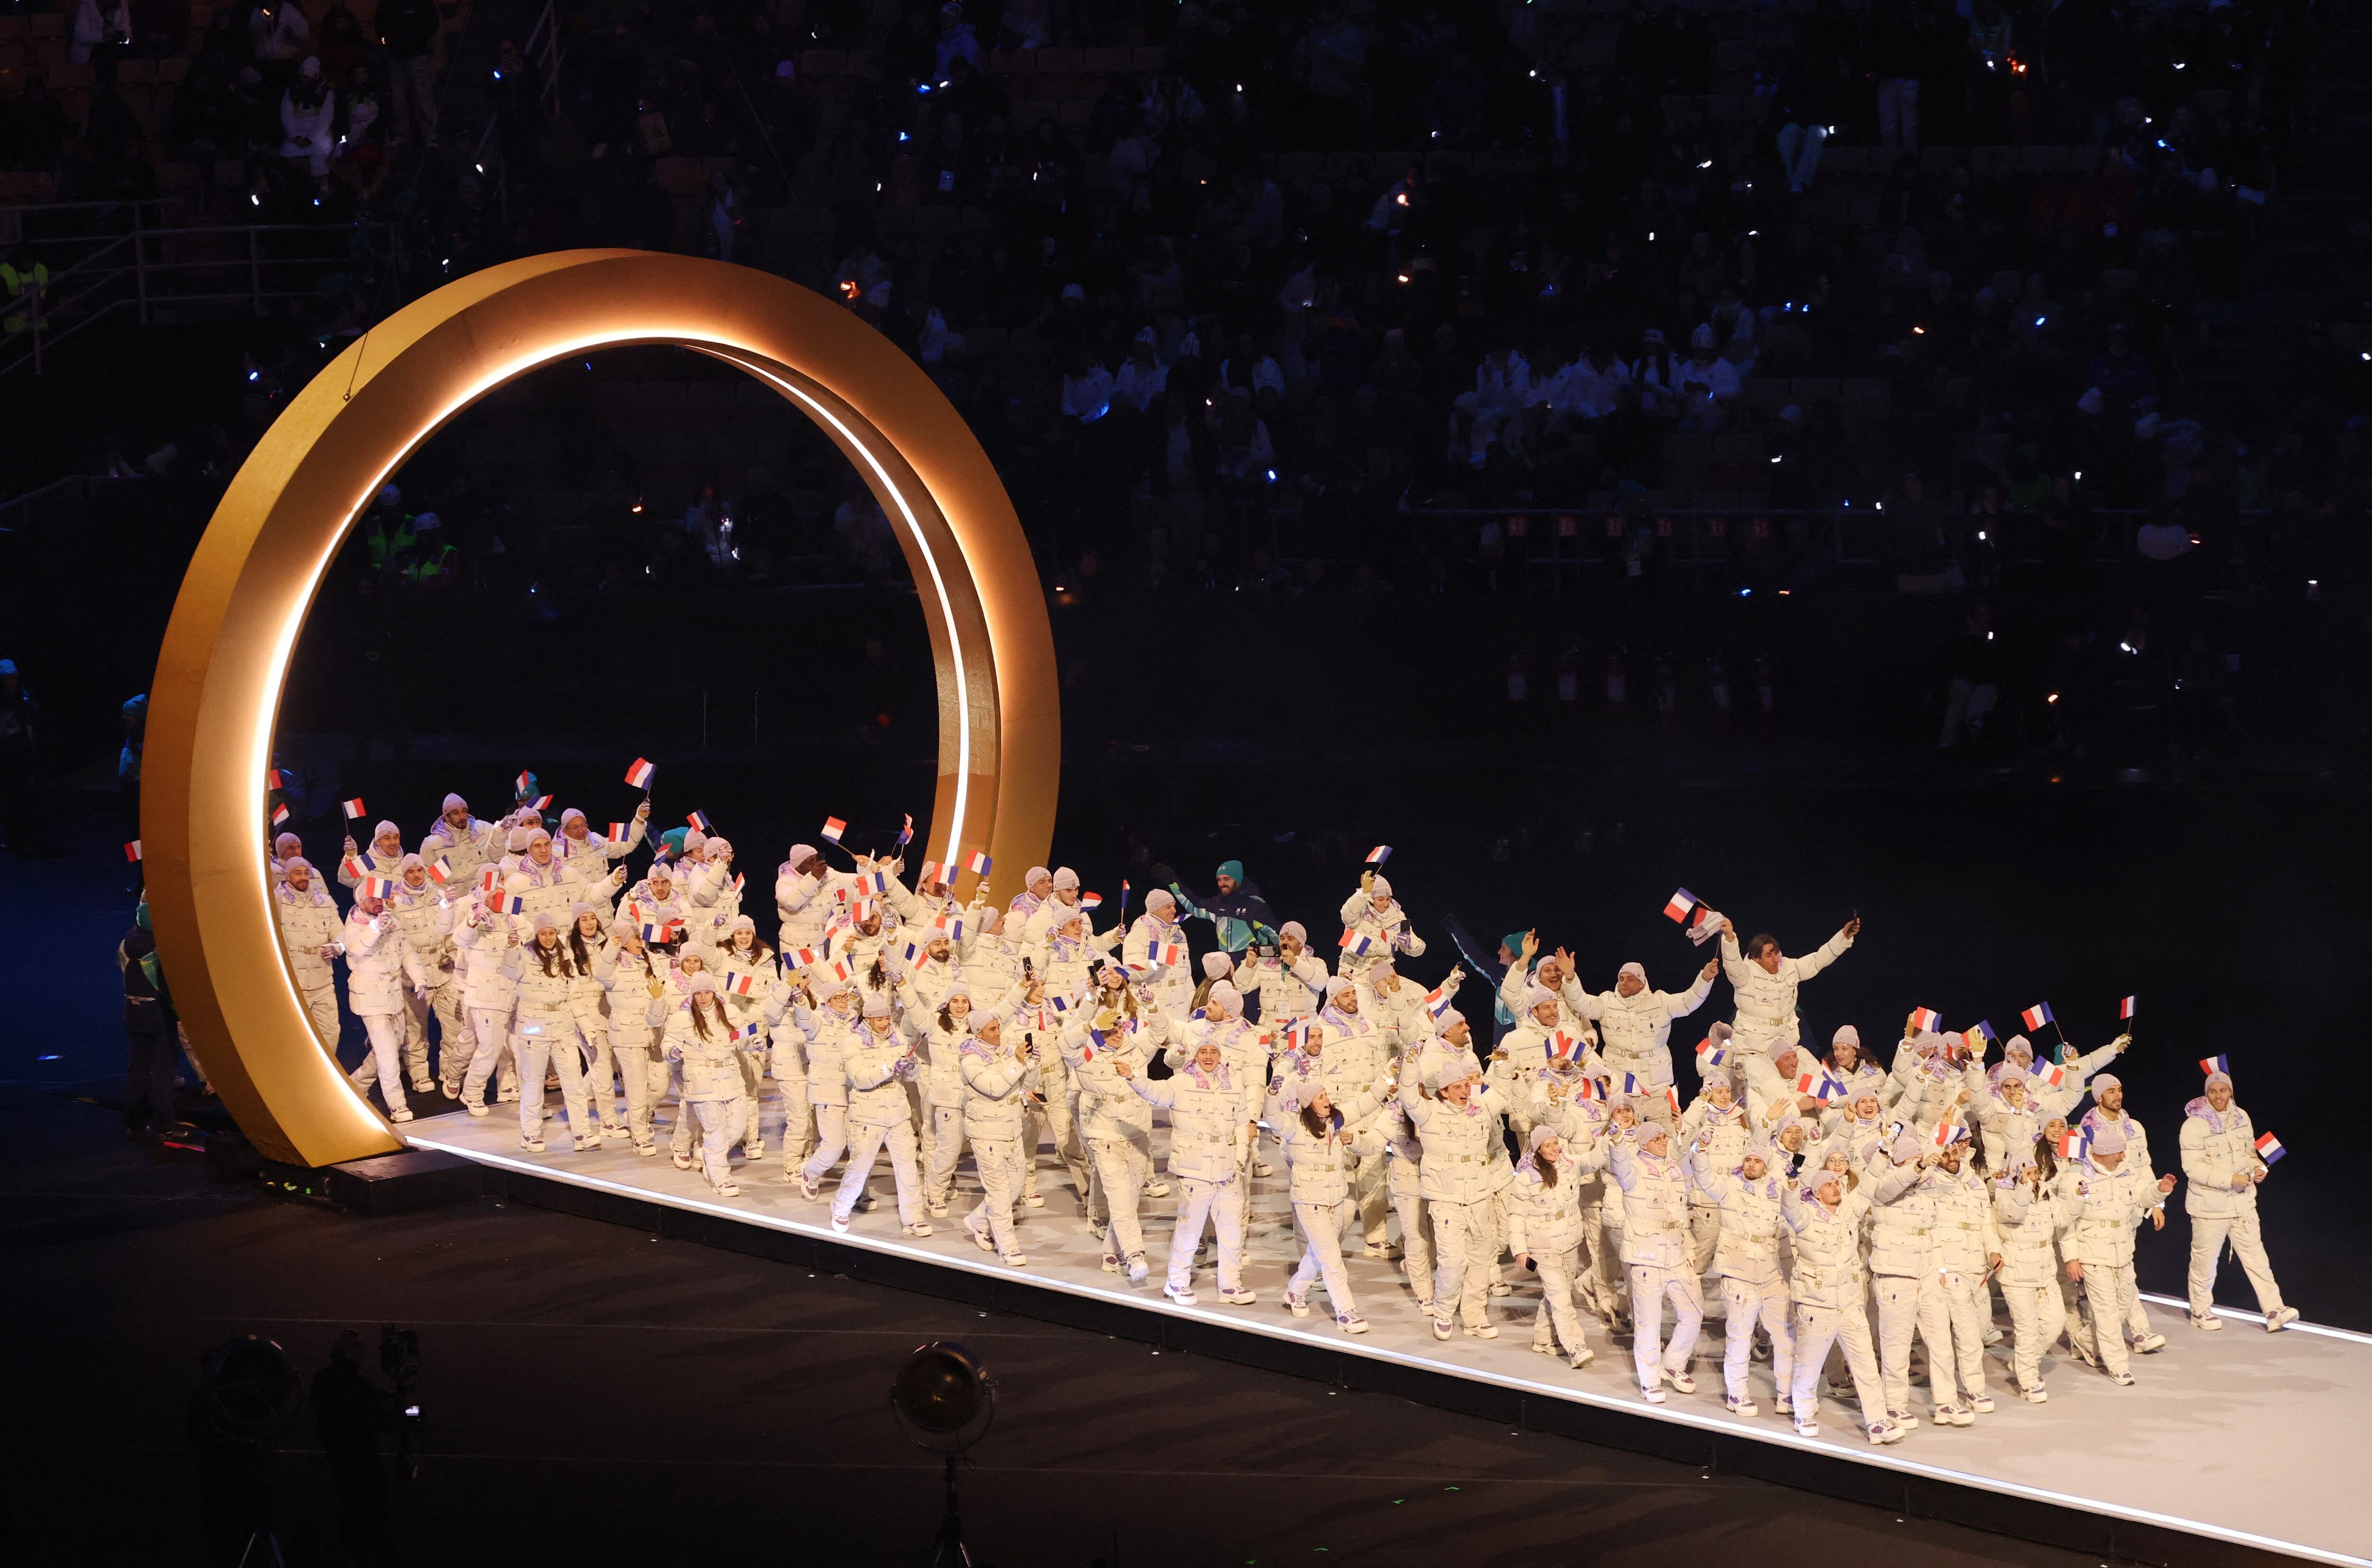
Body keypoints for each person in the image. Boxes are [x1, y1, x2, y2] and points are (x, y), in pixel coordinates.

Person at [1114, 1034, 1258, 1307]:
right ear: (1196, 1056)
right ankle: (1176, 1282)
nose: (1208, 1056)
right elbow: (1153, 1091)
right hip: (1195, 1169)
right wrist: (1133, 1076)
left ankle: (1230, 1285)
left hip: (1228, 1169)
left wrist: (1239, 1161)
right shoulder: (1181, 1082)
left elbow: (1242, 1124)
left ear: (1220, 1056)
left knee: (1232, 1233)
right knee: (1190, 1230)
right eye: (1203, 1052)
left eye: (1213, 1052)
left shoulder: (1233, 1084)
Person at [1781, 1166, 1904, 1444]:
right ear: (1817, 1193)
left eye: (1837, 1183)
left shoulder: (1849, 1209)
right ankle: (1803, 1414)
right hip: (1817, 1304)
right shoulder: (1805, 1215)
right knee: (1809, 1364)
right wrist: (1792, 1182)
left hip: (1849, 1303)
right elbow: (1789, 1206)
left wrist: (1883, 1153)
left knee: (1866, 1365)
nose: (1836, 1187)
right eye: (1829, 1185)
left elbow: (1868, 1185)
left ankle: (1878, 1422)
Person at [1275, 1068, 1398, 1333]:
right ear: (1308, 1104)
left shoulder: (1336, 1120)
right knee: (1332, 1259)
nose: (1327, 1100)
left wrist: (1386, 1078)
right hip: (1310, 1202)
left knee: (1318, 1253)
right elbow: (1271, 1115)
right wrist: (1273, 1091)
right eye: (1320, 1097)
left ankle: (1295, 1292)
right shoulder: (1295, 1127)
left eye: (1326, 1095)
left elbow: (1365, 1104)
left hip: (1337, 1199)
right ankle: (1346, 1312)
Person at [2178, 1068, 2299, 1332]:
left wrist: (2257, 1168)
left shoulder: (2242, 1117)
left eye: (2223, 1090)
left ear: (2231, 1092)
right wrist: (2231, 1178)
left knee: (2258, 1259)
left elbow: (2249, 1154)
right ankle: (2200, 1310)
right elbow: (2193, 1167)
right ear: (2206, 1093)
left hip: (2242, 1203)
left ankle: (2274, 1310)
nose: (2218, 1096)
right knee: (2205, 1263)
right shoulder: (2194, 1125)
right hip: (2210, 1207)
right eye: (2213, 1091)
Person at [1869, 1129, 1968, 1429]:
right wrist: (1919, 1166)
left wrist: (1940, 1269)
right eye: (1914, 1161)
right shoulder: (1882, 1184)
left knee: (1940, 1340)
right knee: (1897, 1344)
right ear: (1902, 1162)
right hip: (1896, 1273)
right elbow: (1890, 1187)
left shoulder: (1926, 1189)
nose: (1921, 1166)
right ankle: (1895, 1406)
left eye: (1921, 1160)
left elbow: (1934, 1229)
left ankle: (1947, 1402)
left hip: (1927, 1272)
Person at [1605, 1104, 1704, 1401]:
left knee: (1694, 1313)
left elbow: (1687, 1155)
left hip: (1676, 1254)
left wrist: (1689, 1246)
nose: (1663, 1141)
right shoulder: (1633, 1170)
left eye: (1664, 1137)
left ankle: (1673, 1364)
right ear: (1644, 1144)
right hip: (1646, 1258)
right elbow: (1619, 1163)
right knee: (1649, 1324)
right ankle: (1650, 1380)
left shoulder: (1673, 1168)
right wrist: (1617, 1141)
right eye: (1656, 1138)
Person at [1406, 1056, 1510, 1340]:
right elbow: (1408, 1096)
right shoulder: (1429, 1113)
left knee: (1480, 1261)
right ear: (1444, 1091)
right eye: (1458, 1087)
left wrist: (1500, 1068)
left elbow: (1502, 1094)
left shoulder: (1480, 1109)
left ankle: (1475, 1317)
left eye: (1466, 1086)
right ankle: (1443, 1312)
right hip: (1447, 1201)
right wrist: (1410, 1065)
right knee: (1452, 1263)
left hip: (1479, 1198)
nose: (1464, 1091)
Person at [1692, 1137, 1792, 1417]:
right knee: (1740, 1337)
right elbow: (1704, 1177)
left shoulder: (1777, 1191)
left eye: (1757, 1161)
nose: (1751, 1164)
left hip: (1771, 1272)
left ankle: (1787, 1394)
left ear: (1766, 1167)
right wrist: (1701, 1152)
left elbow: (1788, 1225)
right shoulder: (1729, 1186)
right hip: (1738, 1272)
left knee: (1785, 1338)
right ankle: (1737, 1394)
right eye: (1748, 1160)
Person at [2056, 1119, 2160, 1385]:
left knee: (2123, 1306)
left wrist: (2159, 1191)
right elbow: (2066, 1223)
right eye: (2119, 1151)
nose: (2124, 1156)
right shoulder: (2076, 1178)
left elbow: (2142, 1197)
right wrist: (2071, 1258)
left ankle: (2084, 1340)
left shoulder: (2127, 1171)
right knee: (2106, 1312)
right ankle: (2118, 1365)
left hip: (2123, 1252)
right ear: (2104, 1153)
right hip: (2093, 1254)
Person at [1507, 1124, 1606, 1369]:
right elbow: (1516, 1216)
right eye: (1547, 1146)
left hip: (1570, 1242)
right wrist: (1520, 1250)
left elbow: (1594, 1160)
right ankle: (1576, 1346)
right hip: (1541, 1248)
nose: (1553, 1149)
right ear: (1538, 1150)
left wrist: (1611, 1139)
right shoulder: (1526, 1179)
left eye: (1555, 1144)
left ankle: (1543, 1339)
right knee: (1562, 1298)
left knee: (1555, 1295)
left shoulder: (1570, 1165)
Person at [832, 991, 928, 1234]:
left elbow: (911, 1077)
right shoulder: (853, 1041)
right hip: (868, 1117)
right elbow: (860, 1078)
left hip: (898, 1115)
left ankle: (913, 1217)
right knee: (860, 1167)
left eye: (886, 1018)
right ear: (868, 1019)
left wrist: (912, 1067)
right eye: (879, 1019)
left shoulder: (898, 1038)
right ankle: (840, 1207)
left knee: (907, 1169)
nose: (885, 1023)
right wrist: (889, 1068)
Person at [505, 911, 597, 1152]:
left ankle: (583, 1133)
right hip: (534, 1027)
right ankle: (531, 1134)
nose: (548, 937)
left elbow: (574, 996)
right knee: (533, 1083)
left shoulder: (565, 956)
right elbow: (509, 972)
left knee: (574, 1083)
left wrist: (587, 1027)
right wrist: (512, 949)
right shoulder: (525, 954)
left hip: (563, 1028)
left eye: (552, 932)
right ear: (537, 935)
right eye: (543, 933)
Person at [1715, 914, 1861, 1061]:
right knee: (1767, 1077)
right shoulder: (1745, 976)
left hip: (1787, 1045)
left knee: (1815, 1072)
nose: (1775, 960)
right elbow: (1732, 963)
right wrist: (1729, 938)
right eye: (1769, 955)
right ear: (1756, 958)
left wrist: (1844, 937)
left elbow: (1818, 960)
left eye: (1776, 953)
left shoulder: (1790, 968)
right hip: (1755, 1051)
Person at [1565, 957, 1718, 1092]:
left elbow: (1688, 1001)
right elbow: (1581, 1002)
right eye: (1621, 979)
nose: (1624, 982)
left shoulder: (1660, 1002)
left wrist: (1705, 979)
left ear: (1641, 983)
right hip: (1618, 1080)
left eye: (1630, 979)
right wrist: (1571, 977)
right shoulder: (1606, 1002)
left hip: (1656, 1084)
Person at [657, 975, 750, 1195]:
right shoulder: (682, 1018)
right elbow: (668, 1042)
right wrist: (672, 1052)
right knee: (716, 1132)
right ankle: (721, 1178)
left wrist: (754, 1042)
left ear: (714, 993)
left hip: (731, 1079)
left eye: (707, 992)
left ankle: (708, 1154)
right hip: (702, 1082)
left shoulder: (730, 1012)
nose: (703, 997)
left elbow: (743, 1035)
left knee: (738, 1127)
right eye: (698, 993)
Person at [308, 1330, 394, 1567]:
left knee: (349, 1500)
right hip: (362, 1456)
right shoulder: (359, 1386)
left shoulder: (322, 1379)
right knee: (373, 1506)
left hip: (336, 1452)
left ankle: (350, 1549)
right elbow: (380, 1421)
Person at [959, 1012, 1038, 1266]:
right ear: (978, 1032)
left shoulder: (1006, 1051)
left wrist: (1031, 1065)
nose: (998, 1033)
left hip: (1013, 1128)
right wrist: (1017, 1062)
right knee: (1000, 1194)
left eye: (998, 1027)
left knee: (1015, 1187)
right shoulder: (970, 1059)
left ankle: (977, 1221)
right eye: (992, 1029)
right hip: (987, 1133)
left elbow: (1026, 1086)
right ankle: (1008, 1247)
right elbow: (994, 1088)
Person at [340, 887, 422, 1124]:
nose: (378, 902)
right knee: (387, 1054)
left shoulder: (391, 921)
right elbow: (356, 948)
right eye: (372, 899)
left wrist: (420, 979)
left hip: (394, 994)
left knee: (389, 1048)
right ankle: (397, 1105)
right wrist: (375, 927)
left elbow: (407, 953)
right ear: (361, 901)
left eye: (380, 898)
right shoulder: (355, 925)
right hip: (371, 997)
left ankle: (357, 1084)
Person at [1992, 1146, 2065, 1401]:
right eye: (2028, 1173)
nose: (2033, 1177)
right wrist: (2023, 1188)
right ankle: (2028, 1381)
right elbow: (2014, 1214)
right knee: (2027, 1329)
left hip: (2046, 1270)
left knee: (2055, 1323)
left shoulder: (2045, 1192)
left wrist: (2078, 1198)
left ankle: (2023, 1362)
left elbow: (2062, 1219)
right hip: (2018, 1273)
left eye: (2035, 1172)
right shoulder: (2004, 1193)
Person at [119, 897, 185, 1137]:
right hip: (159, 1016)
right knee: (163, 1073)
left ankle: (134, 1122)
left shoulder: (126, 943)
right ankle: (164, 1124)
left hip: (133, 1011)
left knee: (137, 1071)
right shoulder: (161, 949)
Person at [274, 856, 343, 1049]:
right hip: (294, 982)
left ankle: (325, 1068)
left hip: (323, 981)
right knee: (294, 1035)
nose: (303, 877)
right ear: (288, 876)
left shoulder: (325, 901)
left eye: (306, 873)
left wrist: (338, 947)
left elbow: (341, 932)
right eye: (298, 873)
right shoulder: (277, 900)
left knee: (331, 1032)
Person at [1336, 869, 1426, 982]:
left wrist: (1414, 946)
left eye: (1388, 899)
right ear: (1371, 899)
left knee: (1418, 991)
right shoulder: (1360, 913)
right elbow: (1346, 913)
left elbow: (1417, 950)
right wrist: (1363, 894)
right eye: (1380, 899)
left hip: (1383, 973)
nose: (1385, 903)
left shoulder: (1399, 916)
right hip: (1355, 972)